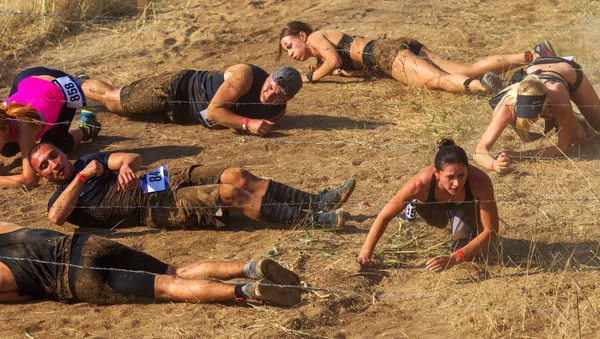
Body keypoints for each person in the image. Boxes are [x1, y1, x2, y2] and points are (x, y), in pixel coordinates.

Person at [28, 142, 355, 229]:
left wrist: (127, 167)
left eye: (53, 156)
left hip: (153, 181)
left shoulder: (88, 160)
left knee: (236, 174)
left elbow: (131, 157)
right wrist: (82, 179)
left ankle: (315, 201)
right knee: (231, 195)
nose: (54, 164)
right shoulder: (62, 196)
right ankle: (312, 222)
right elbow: (56, 218)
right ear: (41, 176)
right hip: (150, 209)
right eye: (45, 165)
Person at [0, 221, 302, 306]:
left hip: (77, 279)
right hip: (85, 244)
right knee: (175, 271)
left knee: (169, 288)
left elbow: (26, 293)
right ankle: (250, 267)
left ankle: (248, 290)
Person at [278, 21, 557, 95]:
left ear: (302, 35)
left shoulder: (315, 38)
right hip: (393, 47)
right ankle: (533, 55)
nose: (291, 54)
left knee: (437, 81)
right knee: (466, 67)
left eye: (289, 46)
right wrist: (339, 73)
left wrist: (310, 77)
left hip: (388, 56)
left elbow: (335, 61)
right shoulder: (325, 42)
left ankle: (488, 87)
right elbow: (345, 64)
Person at [357, 139, 499, 271]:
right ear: (436, 173)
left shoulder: (480, 182)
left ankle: (466, 216)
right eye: (450, 177)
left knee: (467, 255)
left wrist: (455, 257)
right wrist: (365, 253)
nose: (456, 183)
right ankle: (415, 202)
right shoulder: (419, 185)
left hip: (464, 206)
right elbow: (384, 216)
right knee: (440, 223)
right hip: (433, 206)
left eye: (462, 175)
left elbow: (491, 230)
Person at [80, 64, 302, 136]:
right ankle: (75, 83)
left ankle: (80, 91)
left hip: (182, 115)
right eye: (270, 86)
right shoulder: (246, 75)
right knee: (115, 99)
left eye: (278, 96)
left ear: (288, 99)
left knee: (122, 112)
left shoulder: (277, 112)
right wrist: (247, 123)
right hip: (177, 89)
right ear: (270, 76)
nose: (270, 94)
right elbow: (215, 112)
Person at [474, 57, 600, 172]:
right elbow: (479, 150)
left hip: (566, 71)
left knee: (582, 137)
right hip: (537, 70)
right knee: (577, 132)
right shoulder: (508, 104)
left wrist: (520, 155)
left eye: (533, 114)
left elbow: (563, 148)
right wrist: (493, 164)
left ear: (546, 103)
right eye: (524, 113)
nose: (529, 119)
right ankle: (566, 118)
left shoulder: (558, 97)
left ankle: (567, 115)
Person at [0, 67, 101, 187]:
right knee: (8, 149)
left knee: (51, 147)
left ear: (6, 129)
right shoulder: (3, 120)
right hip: (26, 79)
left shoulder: (23, 127)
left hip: (60, 85)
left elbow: (30, 180)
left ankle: (87, 127)